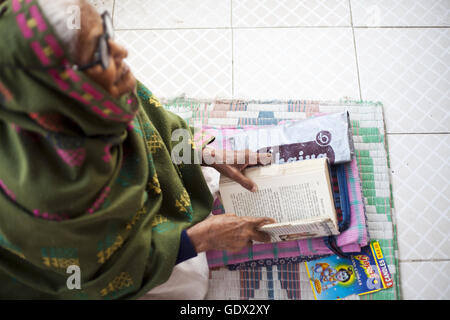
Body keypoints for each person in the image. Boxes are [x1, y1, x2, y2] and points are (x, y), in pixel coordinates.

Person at [0, 0, 275, 299]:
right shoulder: (49, 198)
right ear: (58, 92)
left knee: (200, 184)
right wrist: (202, 238)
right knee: (190, 286)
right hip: (82, 279)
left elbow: (154, 127)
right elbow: (93, 278)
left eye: (105, 29)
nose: (120, 53)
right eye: (98, 50)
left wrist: (202, 152)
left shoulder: (91, 90)